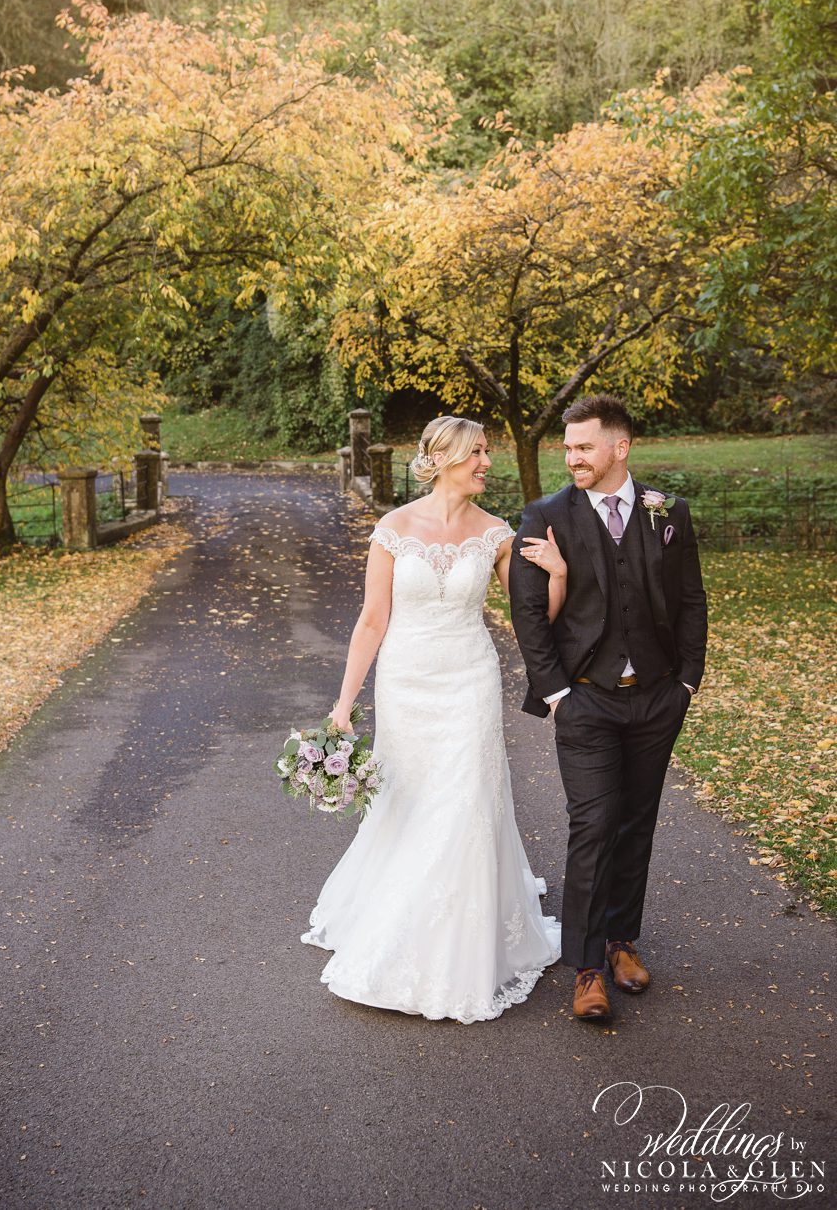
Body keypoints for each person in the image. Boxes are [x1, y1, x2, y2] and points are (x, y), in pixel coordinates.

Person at [301, 414, 565, 1023]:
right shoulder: (393, 529)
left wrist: (559, 574)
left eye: (488, 453)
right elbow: (372, 620)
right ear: (442, 457)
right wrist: (344, 705)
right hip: (407, 683)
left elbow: (533, 620)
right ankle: (402, 920)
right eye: (477, 453)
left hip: (470, 679)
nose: (486, 464)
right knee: (413, 800)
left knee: (467, 801)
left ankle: (461, 947)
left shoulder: (497, 534)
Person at [508, 393, 708, 1022]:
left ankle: (623, 941)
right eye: (567, 448)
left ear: (620, 448)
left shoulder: (667, 512)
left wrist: (687, 684)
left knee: (635, 822)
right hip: (586, 700)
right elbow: (529, 617)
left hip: (656, 697)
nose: (572, 458)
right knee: (593, 825)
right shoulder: (543, 517)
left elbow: (691, 600)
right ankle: (588, 966)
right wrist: (559, 693)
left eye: (583, 447)